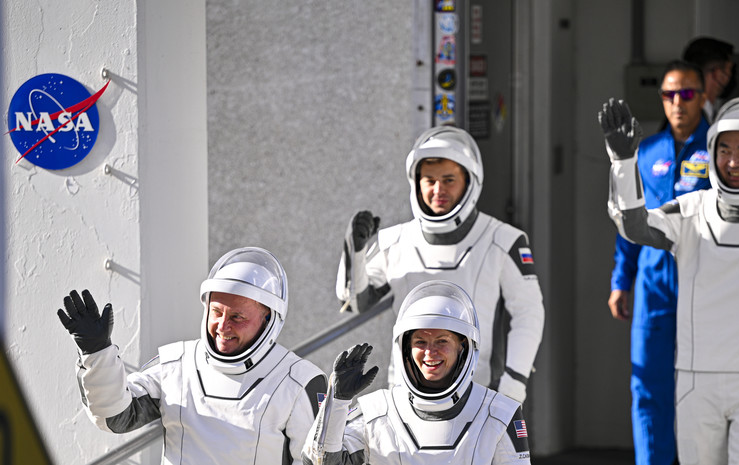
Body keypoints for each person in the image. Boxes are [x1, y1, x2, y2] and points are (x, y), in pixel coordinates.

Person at [600, 96, 739, 464]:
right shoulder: (692, 208)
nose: (733, 161)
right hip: (695, 382)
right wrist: (624, 163)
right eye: (724, 150)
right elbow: (635, 227)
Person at [57, 247, 327, 464]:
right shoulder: (176, 364)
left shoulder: (300, 382)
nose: (222, 326)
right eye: (217, 312)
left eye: (237, 317)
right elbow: (115, 417)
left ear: (269, 320)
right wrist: (97, 353)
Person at [335, 126, 544, 403]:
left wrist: (512, 385)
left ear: (469, 182)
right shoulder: (395, 241)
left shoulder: (503, 240)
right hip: (406, 400)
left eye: (449, 180)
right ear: (416, 183)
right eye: (429, 180)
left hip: (481, 397)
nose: (438, 190)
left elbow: (528, 313)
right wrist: (355, 252)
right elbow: (355, 302)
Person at [607, 59, 710, 465]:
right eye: (669, 94)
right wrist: (622, 280)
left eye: (687, 93)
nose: (677, 103)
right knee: (648, 388)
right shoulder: (646, 151)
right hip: (653, 290)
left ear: (703, 96)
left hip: (704, 287)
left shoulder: (721, 150)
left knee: (703, 392)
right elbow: (628, 221)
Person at [303, 280, 531, 464]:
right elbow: (319, 462)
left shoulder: (500, 415)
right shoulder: (376, 412)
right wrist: (337, 402)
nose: (430, 352)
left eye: (442, 341)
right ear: (405, 349)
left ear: (464, 347)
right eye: (420, 342)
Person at [682, 36, 735, 122]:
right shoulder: (695, 122)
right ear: (717, 74)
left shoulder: (685, 114)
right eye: (730, 69)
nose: (729, 76)